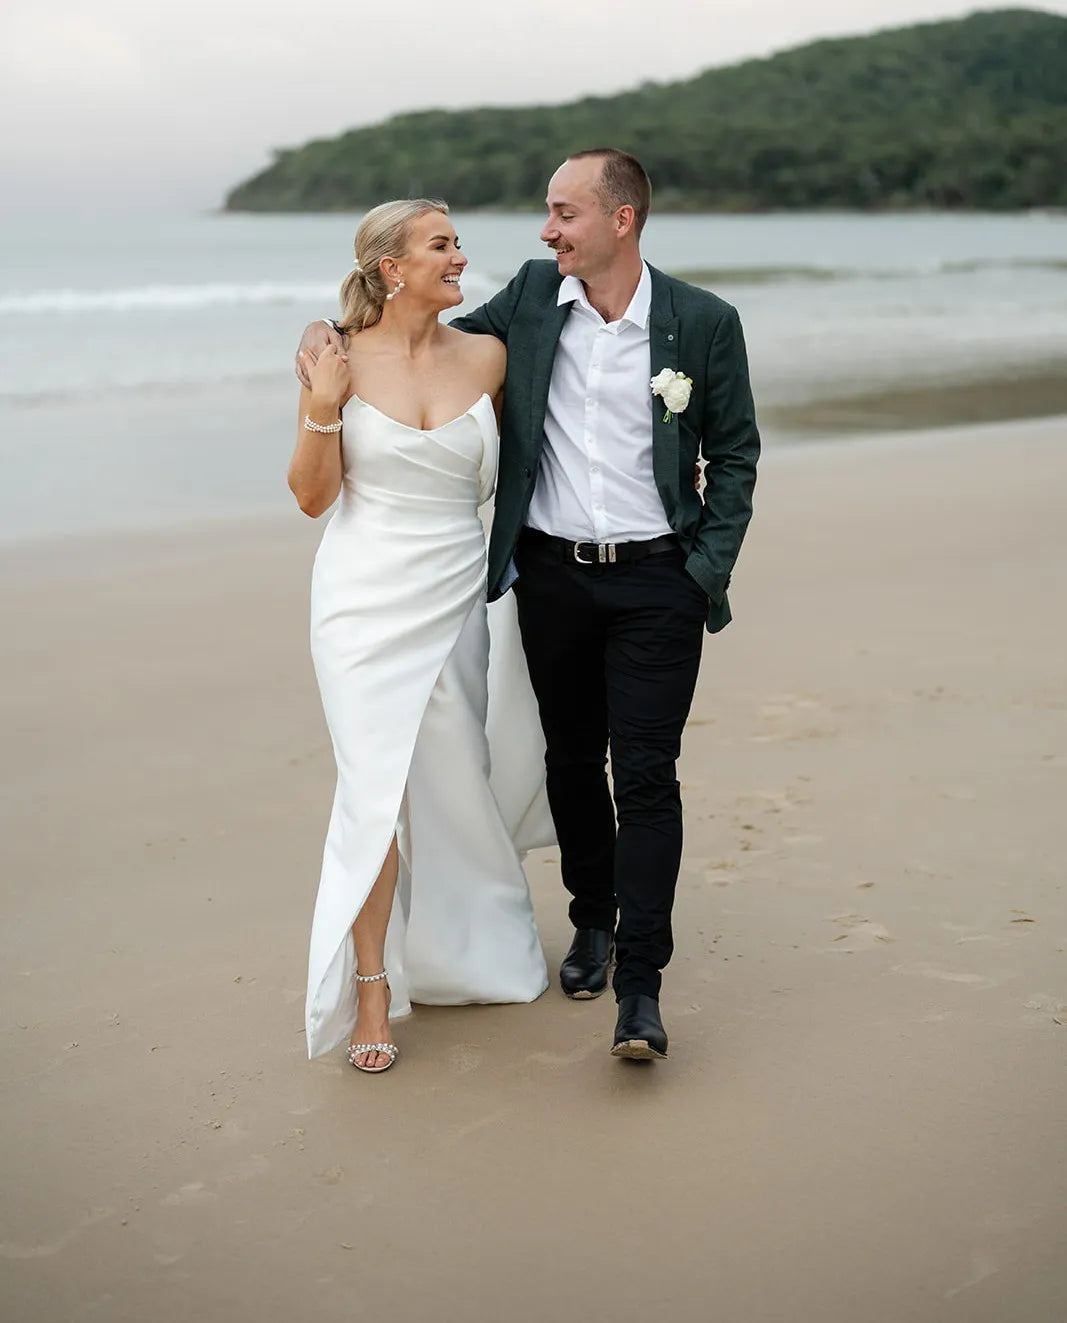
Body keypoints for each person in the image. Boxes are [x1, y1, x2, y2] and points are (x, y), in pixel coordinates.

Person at [299, 148, 760, 1062]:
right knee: (568, 763)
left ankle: (639, 984)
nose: (544, 230)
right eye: (547, 214)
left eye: (563, 213)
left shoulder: (703, 323)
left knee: (646, 773)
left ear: (619, 220)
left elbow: (736, 453)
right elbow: (409, 338)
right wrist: (323, 339)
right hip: (544, 578)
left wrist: (703, 566)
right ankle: (589, 924)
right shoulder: (526, 310)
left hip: (656, 580)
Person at [289, 198, 551, 1074]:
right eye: (442, 245)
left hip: (459, 592)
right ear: (390, 267)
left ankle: (465, 949)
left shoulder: (488, 356)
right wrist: (324, 405)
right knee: (371, 787)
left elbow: (531, 467)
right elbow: (313, 497)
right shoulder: (335, 359)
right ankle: (371, 992)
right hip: (361, 599)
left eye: (458, 243)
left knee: (451, 771)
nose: (460, 257)